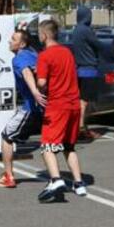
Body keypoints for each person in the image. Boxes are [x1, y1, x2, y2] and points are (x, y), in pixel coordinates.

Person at [36, 19, 87, 202]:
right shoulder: (67, 52)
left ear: (44, 35)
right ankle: (79, 183)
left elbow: (42, 82)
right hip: (74, 104)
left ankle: (56, 179)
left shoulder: (45, 55)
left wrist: (38, 85)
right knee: (68, 146)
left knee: (47, 146)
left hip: (57, 105)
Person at [0, 30, 45, 188]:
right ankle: (64, 178)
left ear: (22, 44)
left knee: (6, 137)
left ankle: (9, 176)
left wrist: (35, 92)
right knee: (53, 143)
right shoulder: (33, 54)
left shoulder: (19, 58)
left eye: (13, 39)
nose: (9, 41)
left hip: (31, 107)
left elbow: (26, 72)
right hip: (43, 105)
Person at [71, 6, 104, 139]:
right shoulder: (86, 30)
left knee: (81, 100)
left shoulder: (75, 30)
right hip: (89, 70)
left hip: (79, 70)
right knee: (85, 101)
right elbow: (99, 45)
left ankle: (82, 126)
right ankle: (81, 128)